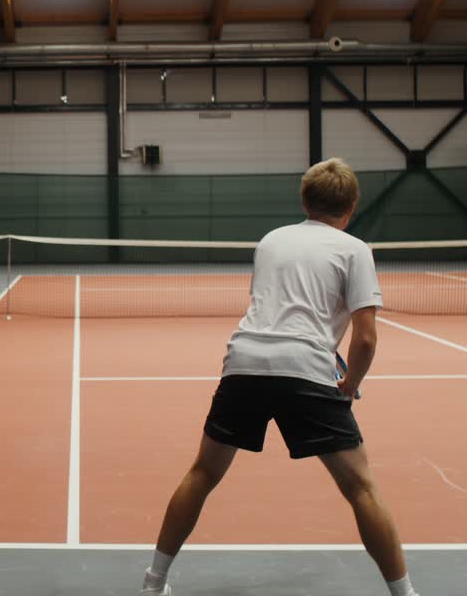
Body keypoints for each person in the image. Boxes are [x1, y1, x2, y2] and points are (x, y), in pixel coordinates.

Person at [140, 158, 419, 596]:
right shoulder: (355, 249)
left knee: (203, 473)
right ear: (351, 207)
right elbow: (365, 340)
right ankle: (405, 594)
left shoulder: (271, 240)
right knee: (361, 487)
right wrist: (347, 385)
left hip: (244, 363)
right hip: (306, 369)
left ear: (304, 199)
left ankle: (153, 584)